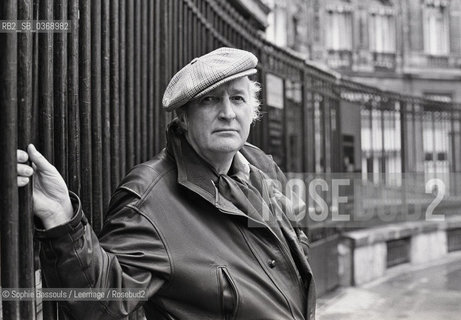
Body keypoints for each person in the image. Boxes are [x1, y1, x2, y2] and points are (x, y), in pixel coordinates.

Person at [17, 47, 316, 319]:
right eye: (210, 100)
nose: (227, 113)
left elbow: (289, 246)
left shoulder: (261, 166)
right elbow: (102, 301)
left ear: (252, 111)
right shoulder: (150, 196)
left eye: (237, 98)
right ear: (183, 118)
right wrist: (61, 218)